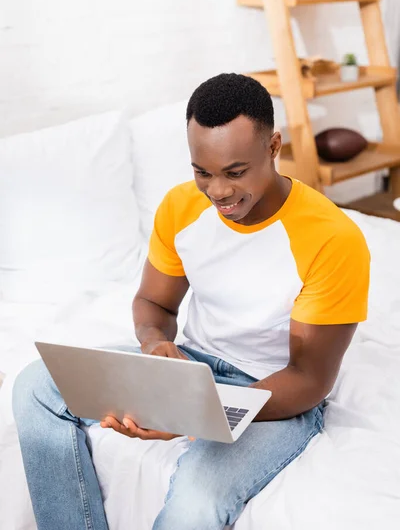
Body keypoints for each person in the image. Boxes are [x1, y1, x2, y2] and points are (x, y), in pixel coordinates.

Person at [12, 73, 370, 530]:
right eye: (203, 172)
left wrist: (194, 414)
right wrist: (154, 344)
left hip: (275, 392)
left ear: (274, 147)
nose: (218, 191)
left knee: (196, 500)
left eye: (235, 172)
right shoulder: (180, 207)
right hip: (194, 366)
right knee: (36, 386)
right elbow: (153, 303)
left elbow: (309, 380)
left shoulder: (333, 239)